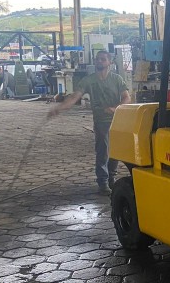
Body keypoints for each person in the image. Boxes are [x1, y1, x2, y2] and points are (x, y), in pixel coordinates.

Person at [48, 50, 130, 195]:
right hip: (101, 121)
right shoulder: (89, 80)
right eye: (97, 59)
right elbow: (74, 97)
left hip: (117, 120)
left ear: (110, 62)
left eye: (103, 59)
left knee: (115, 151)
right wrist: (59, 108)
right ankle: (103, 181)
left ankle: (112, 177)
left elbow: (126, 97)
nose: (99, 61)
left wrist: (115, 108)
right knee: (103, 151)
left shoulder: (117, 79)